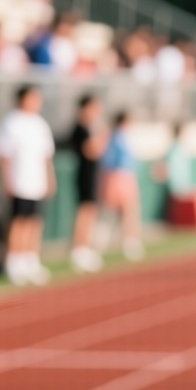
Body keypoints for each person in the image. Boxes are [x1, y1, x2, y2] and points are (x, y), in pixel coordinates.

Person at [0, 85, 56, 286]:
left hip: (36, 182)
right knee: (18, 222)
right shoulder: (11, 122)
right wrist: (6, 181)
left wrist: (49, 179)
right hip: (19, 181)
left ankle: (31, 260)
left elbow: (46, 156)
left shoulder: (40, 124)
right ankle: (14, 262)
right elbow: (4, 155)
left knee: (34, 222)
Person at [66, 94, 108, 273]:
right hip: (83, 175)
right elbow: (93, 150)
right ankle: (78, 248)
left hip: (91, 175)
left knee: (90, 210)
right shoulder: (80, 129)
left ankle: (84, 246)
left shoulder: (88, 129)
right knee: (84, 211)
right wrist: (103, 135)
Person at [99, 110, 146, 262]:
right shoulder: (116, 137)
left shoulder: (119, 136)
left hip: (120, 175)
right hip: (119, 176)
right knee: (125, 210)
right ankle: (124, 241)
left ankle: (127, 240)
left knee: (124, 211)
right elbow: (112, 159)